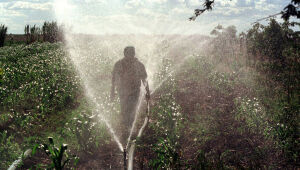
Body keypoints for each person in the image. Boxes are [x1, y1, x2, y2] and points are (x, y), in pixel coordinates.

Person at [110, 46, 150, 139]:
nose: (131, 55)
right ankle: (125, 131)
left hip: (135, 92)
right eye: (129, 53)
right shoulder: (118, 64)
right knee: (124, 111)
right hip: (122, 92)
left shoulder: (139, 65)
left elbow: (144, 79)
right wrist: (112, 92)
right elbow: (113, 80)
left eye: (132, 53)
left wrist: (147, 92)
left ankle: (130, 131)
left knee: (132, 110)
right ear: (124, 53)